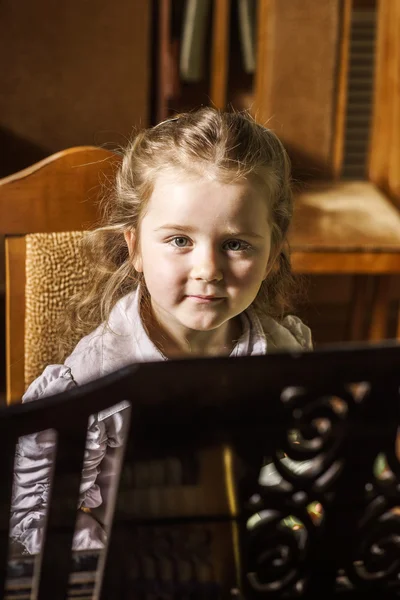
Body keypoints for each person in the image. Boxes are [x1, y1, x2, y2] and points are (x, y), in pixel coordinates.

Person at [10, 107, 312, 555]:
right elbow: (42, 513)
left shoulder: (285, 354)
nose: (207, 270)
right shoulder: (93, 381)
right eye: (179, 241)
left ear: (271, 256)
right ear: (134, 248)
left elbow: (296, 472)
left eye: (236, 244)